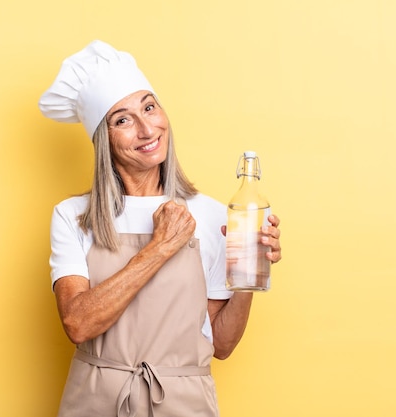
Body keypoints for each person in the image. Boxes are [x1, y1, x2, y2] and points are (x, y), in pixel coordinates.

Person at [39, 40, 282, 417]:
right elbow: (79, 323)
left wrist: (248, 274)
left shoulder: (214, 215)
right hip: (96, 401)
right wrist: (160, 248)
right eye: (122, 119)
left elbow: (221, 344)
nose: (146, 128)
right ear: (105, 141)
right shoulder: (73, 216)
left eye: (149, 107)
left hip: (183, 405)